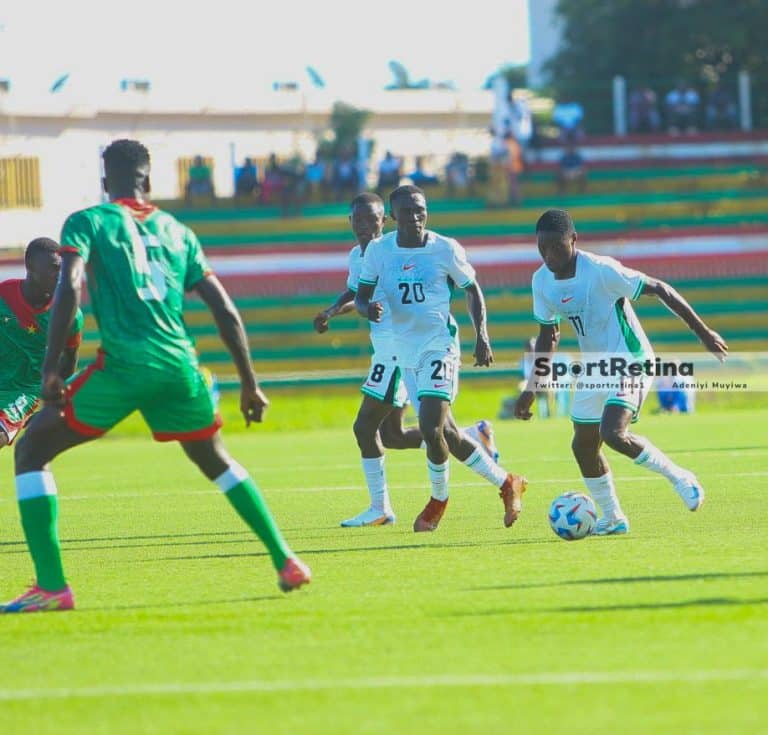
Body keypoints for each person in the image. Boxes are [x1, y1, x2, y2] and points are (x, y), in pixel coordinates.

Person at [1, 139, 311, 614]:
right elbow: (223, 308)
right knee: (216, 461)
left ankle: (51, 586)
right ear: (149, 180)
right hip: (179, 366)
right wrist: (250, 382)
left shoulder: (88, 222)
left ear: (106, 183)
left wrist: (49, 369)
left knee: (31, 448)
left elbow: (72, 283)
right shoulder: (178, 231)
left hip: (124, 365)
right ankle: (286, 559)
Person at [514, 209, 728, 535]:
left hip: (631, 358)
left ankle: (680, 477)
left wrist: (703, 333)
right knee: (583, 446)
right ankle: (613, 518)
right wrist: (531, 389)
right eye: (542, 248)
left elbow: (659, 288)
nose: (548, 255)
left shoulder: (601, 270)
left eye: (556, 247)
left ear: (573, 240)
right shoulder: (541, 280)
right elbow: (549, 336)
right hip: (595, 366)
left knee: (613, 433)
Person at [313, 193, 501, 527]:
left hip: (399, 353)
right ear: (350, 223)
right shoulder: (362, 256)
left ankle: (382, 507)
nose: (364, 225)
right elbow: (358, 294)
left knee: (368, 427)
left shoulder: (392, 250)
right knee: (394, 436)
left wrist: (480, 334)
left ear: (386, 220)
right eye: (358, 219)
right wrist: (332, 311)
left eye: (372, 219)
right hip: (388, 350)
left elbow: (461, 287)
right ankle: (473, 436)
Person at [355, 185, 527, 532]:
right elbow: (361, 296)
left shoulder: (445, 249)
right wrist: (366, 309)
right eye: (408, 212)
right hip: (405, 353)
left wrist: (482, 334)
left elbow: (472, 289)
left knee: (432, 427)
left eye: (422, 210)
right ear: (394, 217)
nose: (417, 217)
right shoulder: (378, 251)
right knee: (445, 434)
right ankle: (507, 482)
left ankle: (438, 500)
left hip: (439, 345)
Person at [0, 239, 83, 451]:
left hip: (22, 390)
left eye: (63, 269)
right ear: (30, 268)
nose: (60, 275)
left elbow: (69, 360)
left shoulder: (70, 315)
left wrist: (50, 404)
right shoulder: (3, 295)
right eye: (54, 268)